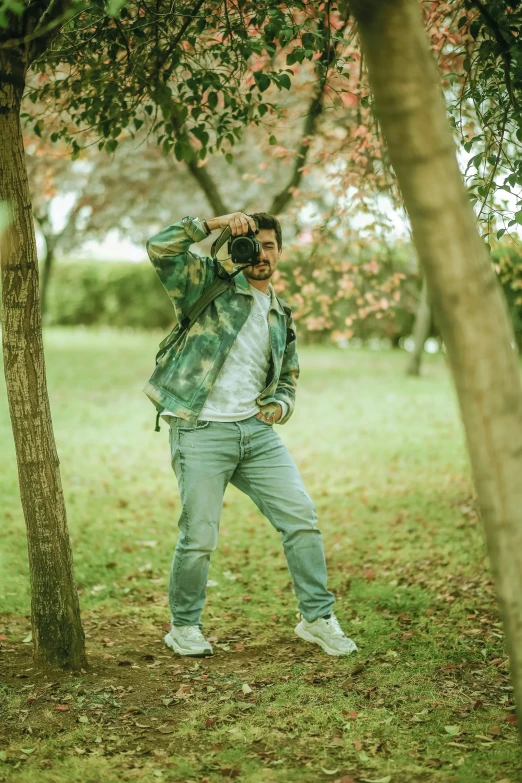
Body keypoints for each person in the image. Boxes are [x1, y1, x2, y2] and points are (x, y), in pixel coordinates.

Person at [143, 211, 357, 658]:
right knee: (199, 536)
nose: (261, 253)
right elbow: (161, 247)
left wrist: (282, 403)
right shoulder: (207, 284)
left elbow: (288, 376)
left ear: (280, 251)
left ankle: (316, 618)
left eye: (271, 245)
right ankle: (183, 627)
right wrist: (214, 224)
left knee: (301, 518)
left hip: (256, 435)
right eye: (253, 245)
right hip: (201, 429)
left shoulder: (280, 313)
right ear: (238, 250)